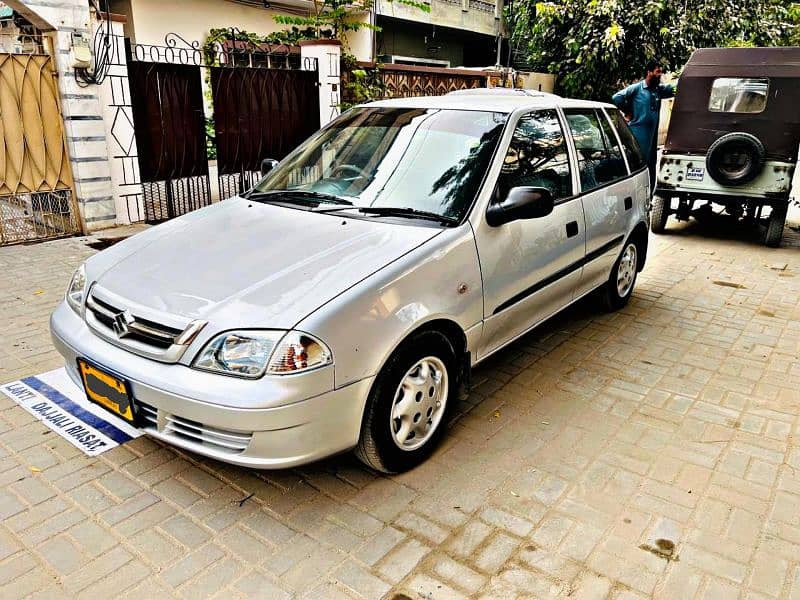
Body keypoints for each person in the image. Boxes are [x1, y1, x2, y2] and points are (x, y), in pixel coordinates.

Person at [612, 60, 675, 189]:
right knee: (640, 163)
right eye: (657, 72)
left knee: (652, 164)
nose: (660, 75)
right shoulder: (637, 88)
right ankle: (637, 191)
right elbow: (616, 97)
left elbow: (674, 89)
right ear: (649, 72)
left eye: (661, 72)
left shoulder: (658, 90)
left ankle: (650, 194)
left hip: (652, 135)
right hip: (639, 132)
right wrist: (628, 111)